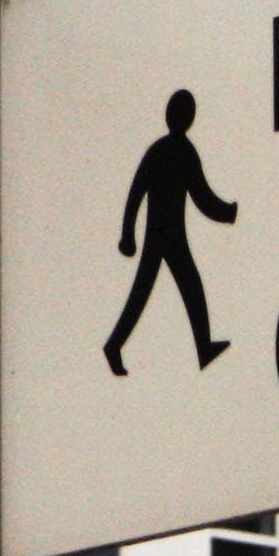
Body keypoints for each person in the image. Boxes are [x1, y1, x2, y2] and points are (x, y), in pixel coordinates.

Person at [104, 89, 235, 375]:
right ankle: (115, 345)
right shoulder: (175, 152)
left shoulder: (168, 150)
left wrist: (226, 212)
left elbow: (199, 195)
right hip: (165, 235)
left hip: (167, 235)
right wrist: (127, 233)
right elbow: (142, 192)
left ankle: (203, 347)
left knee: (185, 288)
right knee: (151, 292)